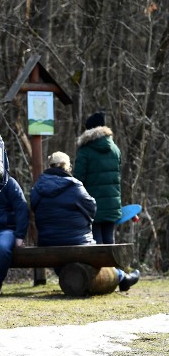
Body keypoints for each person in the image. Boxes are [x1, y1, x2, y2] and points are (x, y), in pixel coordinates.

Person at [30, 151, 139, 290]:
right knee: (92, 257)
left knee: (66, 260)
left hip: (47, 241)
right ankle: (122, 277)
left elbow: (33, 207)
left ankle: (120, 277)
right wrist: (86, 221)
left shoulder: (37, 187)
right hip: (77, 240)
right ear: (67, 167)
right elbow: (92, 207)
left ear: (49, 165)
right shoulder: (75, 186)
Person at [73, 111, 121, 244]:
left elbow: (78, 181)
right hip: (112, 203)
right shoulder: (115, 149)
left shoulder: (85, 151)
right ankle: (110, 265)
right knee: (109, 240)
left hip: (92, 204)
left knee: (96, 240)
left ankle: (99, 265)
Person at [0, 176, 29, 297]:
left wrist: (20, 235)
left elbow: (21, 207)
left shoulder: (9, 183)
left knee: (3, 248)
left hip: (4, 230)